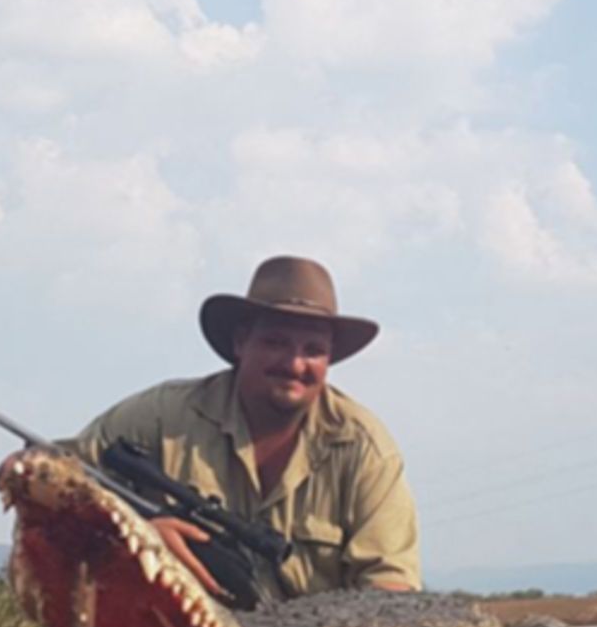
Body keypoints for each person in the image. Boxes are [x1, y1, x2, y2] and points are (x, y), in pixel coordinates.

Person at [71, 255, 420, 600]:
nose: (294, 364)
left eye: (313, 350)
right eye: (276, 342)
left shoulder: (365, 449)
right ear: (241, 342)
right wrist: (133, 537)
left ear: (329, 359)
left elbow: (391, 590)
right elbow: (52, 479)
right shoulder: (161, 416)